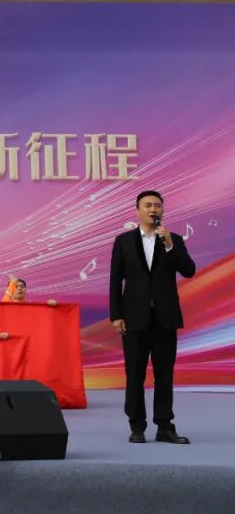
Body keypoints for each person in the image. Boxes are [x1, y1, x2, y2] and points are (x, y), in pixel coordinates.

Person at [110, 190, 196, 445]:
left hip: (165, 318)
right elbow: (115, 280)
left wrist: (169, 245)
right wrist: (116, 315)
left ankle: (165, 427)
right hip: (134, 318)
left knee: (164, 375)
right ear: (137, 210)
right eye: (147, 205)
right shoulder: (123, 241)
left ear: (162, 210)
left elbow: (189, 270)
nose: (153, 209)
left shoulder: (173, 239)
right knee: (134, 374)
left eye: (157, 205)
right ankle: (136, 426)